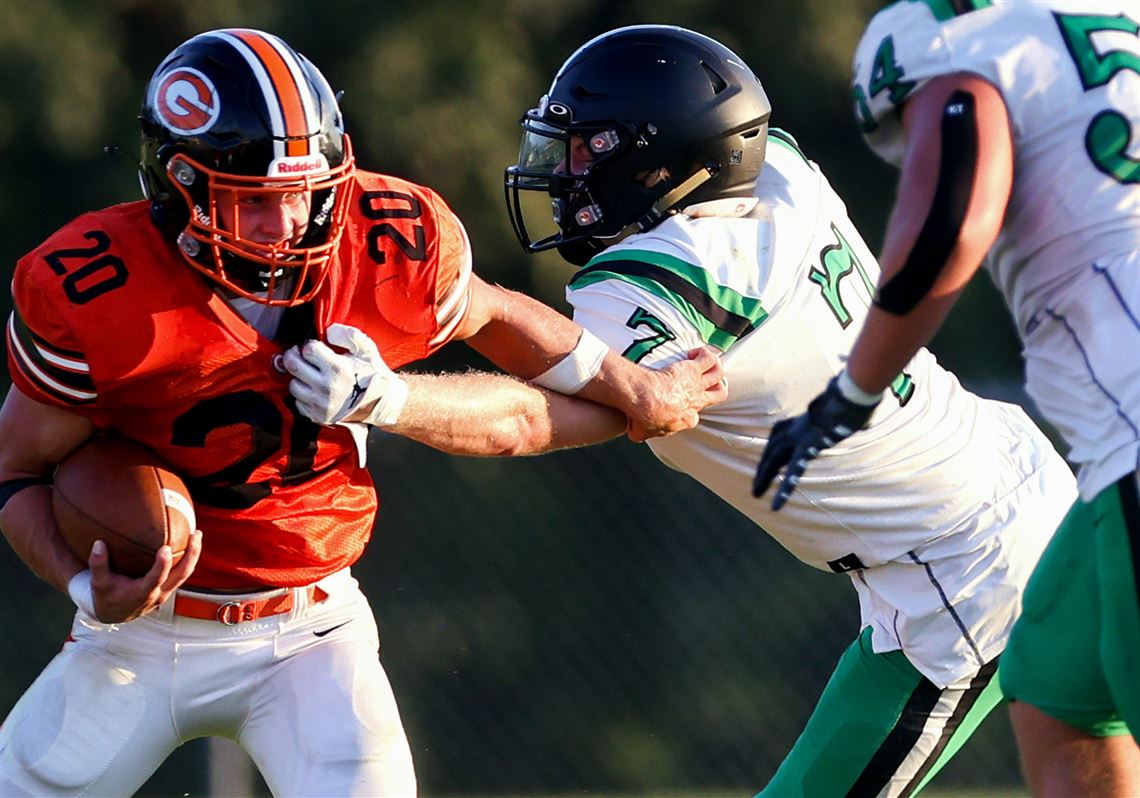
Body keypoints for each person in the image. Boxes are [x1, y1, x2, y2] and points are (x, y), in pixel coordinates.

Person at [286, 25, 1078, 797]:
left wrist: (390, 396)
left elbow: (531, 420)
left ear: (666, 164)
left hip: (958, 574)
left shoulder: (661, 283)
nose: (564, 172)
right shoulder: (782, 173)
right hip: (1018, 476)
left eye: (589, 149)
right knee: (1092, 769)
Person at [0, 27, 727, 797]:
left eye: (305, 194)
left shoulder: (386, 238)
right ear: (180, 187)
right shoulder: (93, 288)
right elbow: (15, 471)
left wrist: (636, 389)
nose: (289, 223)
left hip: (310, 633)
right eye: (256, 203)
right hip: (138, 637)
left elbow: (496, 316)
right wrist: (83, 585)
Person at [751, 1, 1140, 794]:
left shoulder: (956, 45)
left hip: (1131, 419)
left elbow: (952, 221)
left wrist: (853, 391)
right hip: (1114, 448)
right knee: (1053, 684)